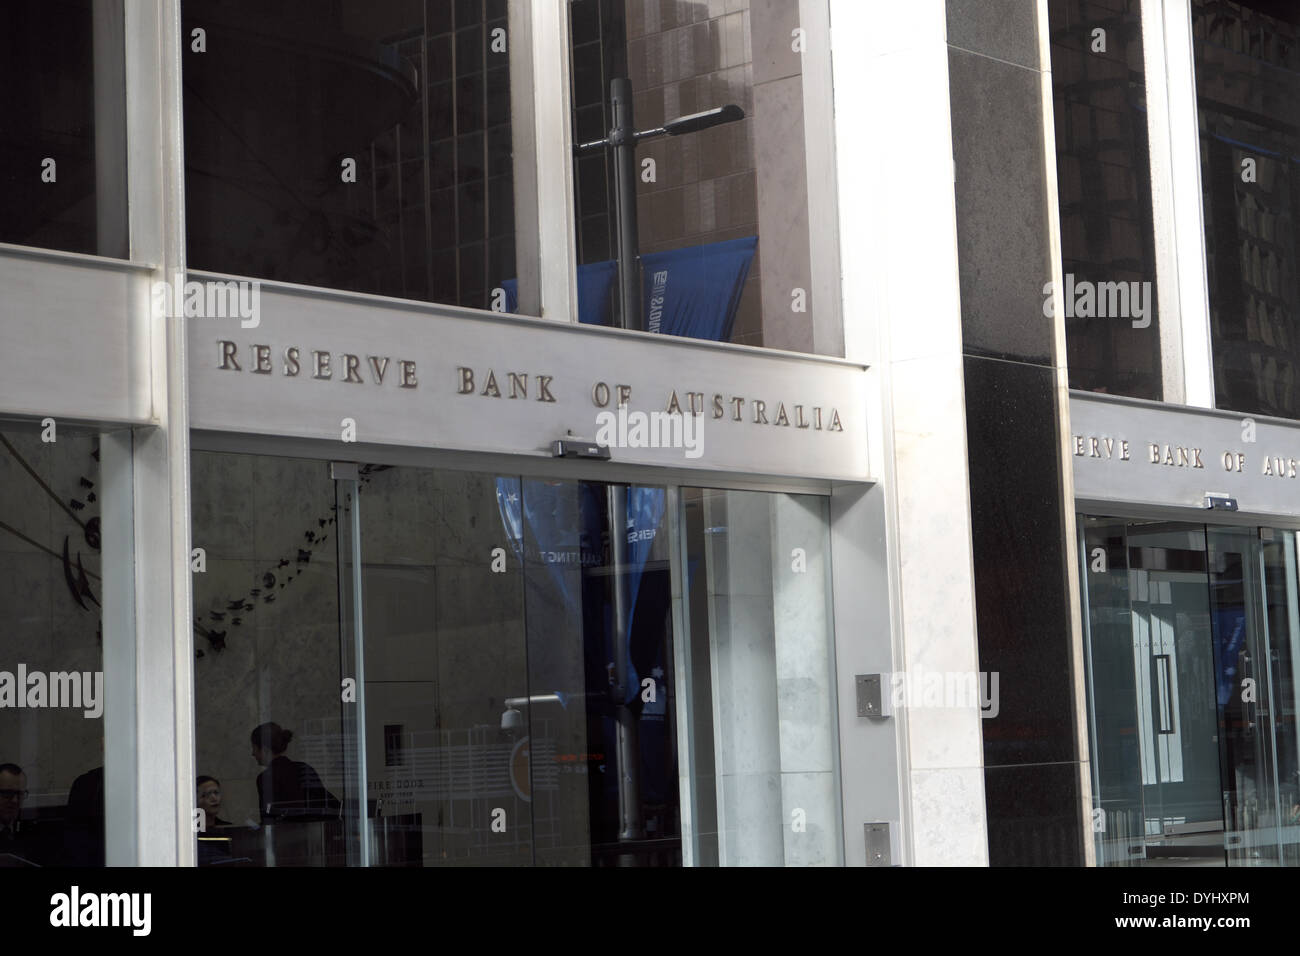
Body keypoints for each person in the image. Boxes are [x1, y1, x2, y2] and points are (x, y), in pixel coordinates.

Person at [250, 723, 339, 821]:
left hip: (286, 834)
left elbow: (269, 820)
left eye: (254, 748)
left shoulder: (266, 778)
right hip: (314, 832)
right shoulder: (304, 768)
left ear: (265, 750)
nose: (253, 753)